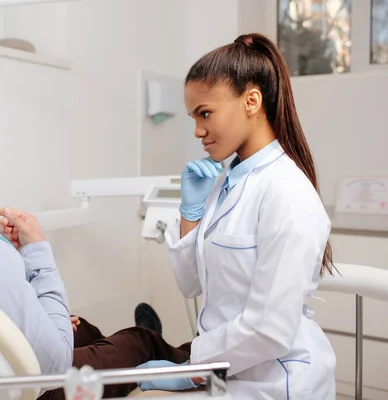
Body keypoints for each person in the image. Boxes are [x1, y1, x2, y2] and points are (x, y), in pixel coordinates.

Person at [0, 77, 193, 399]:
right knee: (140, 340)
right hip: (26, 388)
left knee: (83, 330)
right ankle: (195, 360)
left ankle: (118, 344)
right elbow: (54, 365)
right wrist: (37, 252)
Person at [137, 33, 337, 399]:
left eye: (205, 113)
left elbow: (270, 330)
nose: (198, 131)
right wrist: (190, 212)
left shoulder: (287, 192)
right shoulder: (226, 182)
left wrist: (193, 369)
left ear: (252, 101)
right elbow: (190, 284)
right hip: (226, 370)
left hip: (274, 382)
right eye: (193, 117)